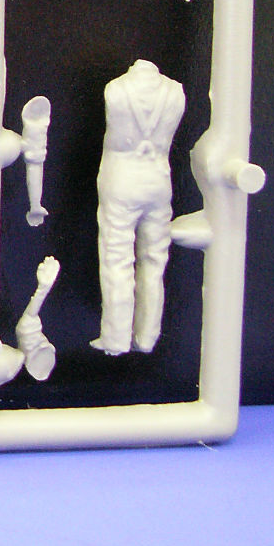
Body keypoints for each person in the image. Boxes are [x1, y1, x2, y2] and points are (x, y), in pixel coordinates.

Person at [91, 59, 185, 355]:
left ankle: (116, 338)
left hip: (122, 182)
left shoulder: (116, 89)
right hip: (158, 182)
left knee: (117, 259)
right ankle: (147, 336)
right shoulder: (174, 92)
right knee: (155, 261)